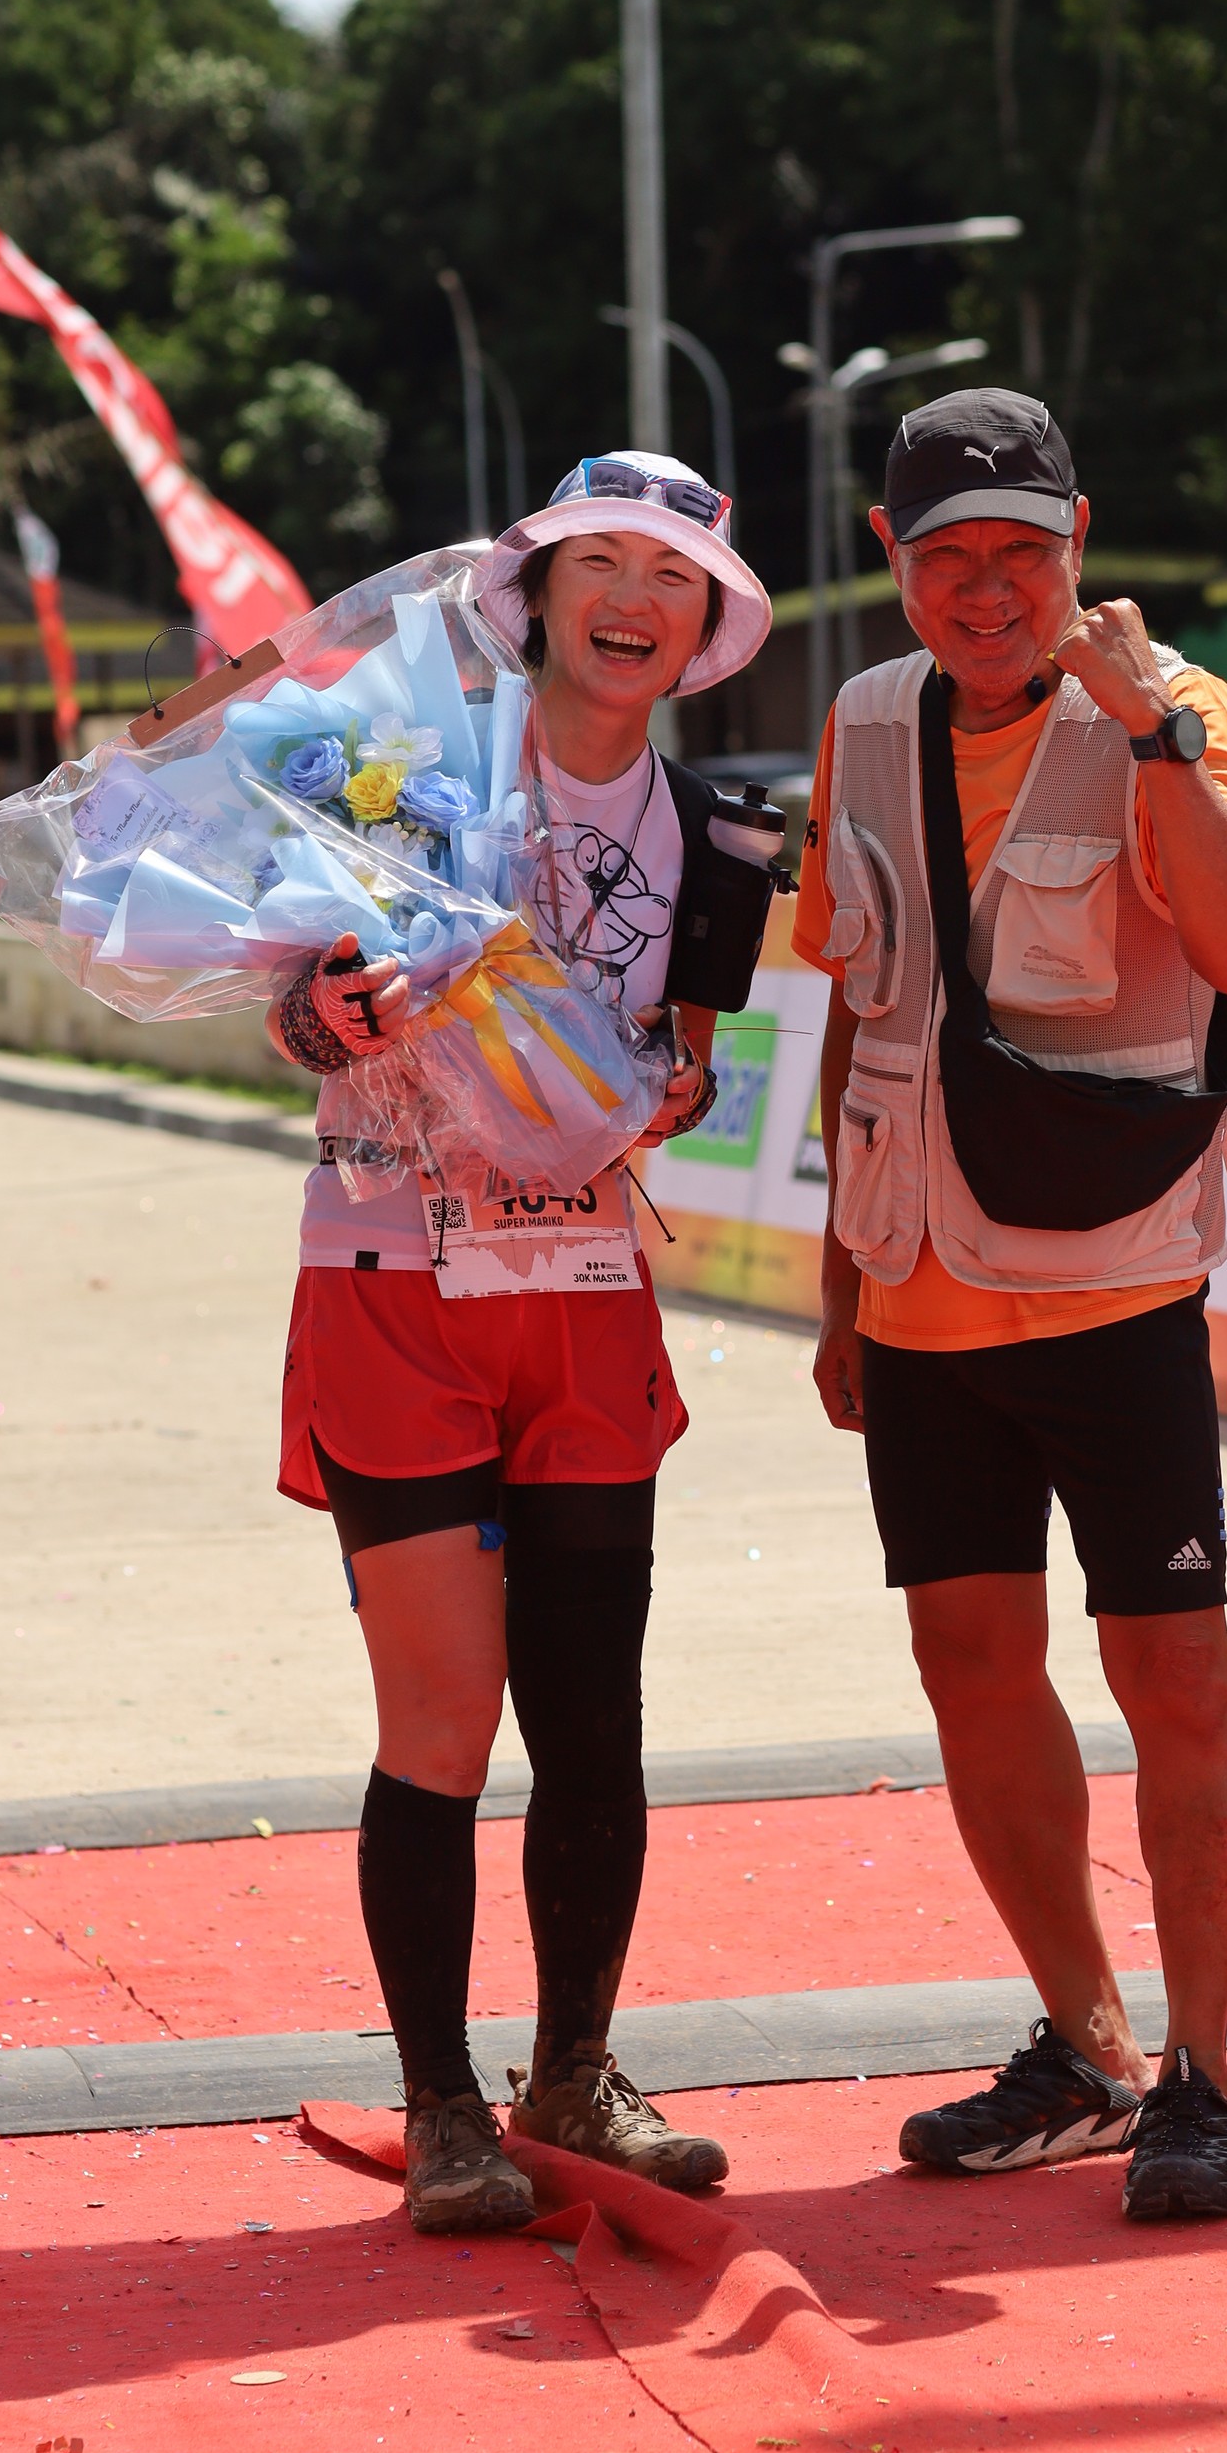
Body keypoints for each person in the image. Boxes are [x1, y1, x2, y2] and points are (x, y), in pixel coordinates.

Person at [794, 387, 1227, 2222]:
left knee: (1174, 1672)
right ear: (891, 559)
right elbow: (860, 1001)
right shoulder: (863, 720)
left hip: (1113, 1281)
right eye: (950, 558)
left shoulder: (1176, 706)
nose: (988, 591)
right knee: (971, 1670)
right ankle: (1083, 2048)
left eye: (1023, 552)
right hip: (919, 1288)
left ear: (1079, 540)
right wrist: (840, 1286)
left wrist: (1149, 731)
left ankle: (1202, 2082)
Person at [270, 456, 773, 2235]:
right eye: (602, 564)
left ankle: (575, 2072)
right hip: (394, 1277)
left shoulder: (724, 839)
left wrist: (673, 1090)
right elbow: (292, 1010)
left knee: (592, 1721)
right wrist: (324, 1014)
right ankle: (440, 2111)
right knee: (440, 1721)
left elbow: (690, 1065)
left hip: (580, 1292)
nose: (636, 599)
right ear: (537, 594)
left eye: (674, 576)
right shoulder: (398, 771)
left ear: (705, 628)